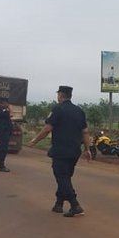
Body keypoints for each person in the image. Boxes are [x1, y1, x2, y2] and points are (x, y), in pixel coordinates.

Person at [27, 85, 91, 217]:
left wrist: (34, 141)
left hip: (61, 151)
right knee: (65, 177)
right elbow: (85, 132)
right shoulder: (79, 111)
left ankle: (75, 205)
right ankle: (59, 204)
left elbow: (47, 129)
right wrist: (87, 149)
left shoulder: (57, 109)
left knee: (62, 178)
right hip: (74, 151)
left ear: (61, 95)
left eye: (58, 94)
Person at [0, 97, 13, 172]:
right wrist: (10, 109)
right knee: (3, 149)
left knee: (4, 149)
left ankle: (1, 165)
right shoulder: (1, 110)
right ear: (3, 103)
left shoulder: (2, 110)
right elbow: (11, 115)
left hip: (5, 132)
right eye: (7, 103)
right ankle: (1, 166)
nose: (8, 105)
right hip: (3, 132)